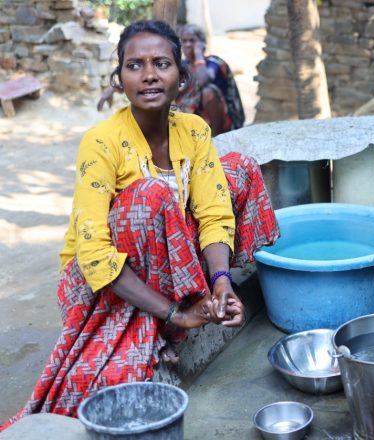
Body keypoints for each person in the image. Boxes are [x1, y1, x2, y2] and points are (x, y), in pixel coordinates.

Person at [1, 20, 278, 430]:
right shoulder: (102, 142)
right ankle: (170, 315)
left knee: (236, 169)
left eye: (161, 63)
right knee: (151, 196)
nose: (148, 74)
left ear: (181, 77)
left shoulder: (194, 129)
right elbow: (93, 255)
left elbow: (214, 210)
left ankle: (204, 295)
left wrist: (221, 280)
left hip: (166, 256)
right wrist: (175, 314)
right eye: (135, 65)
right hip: (99, 280)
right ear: (119, 79)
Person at [97, 24, 245, 136]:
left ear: (201, 43)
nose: (188, 45)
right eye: (184, 41)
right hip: (193, 121)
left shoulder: (214, 63)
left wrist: (199, 54)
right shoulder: (181, 66)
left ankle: (214, 140)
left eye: (192, 41)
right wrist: (112, 89)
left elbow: (203, 79)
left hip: (222, 123)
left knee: (209, 92)